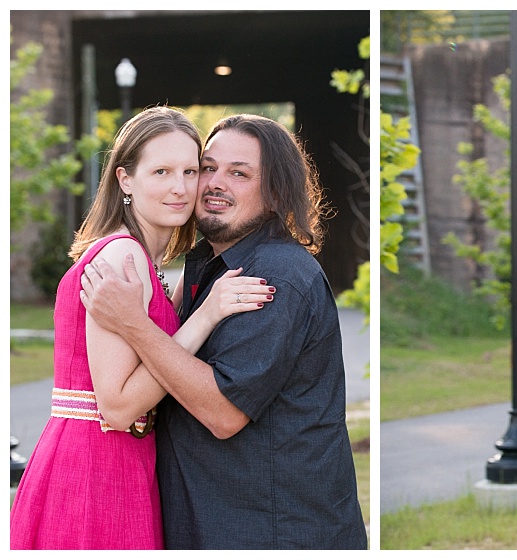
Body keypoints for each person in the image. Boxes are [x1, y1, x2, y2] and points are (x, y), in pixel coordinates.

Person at [79, 114, 368, 549]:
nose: (215, 182)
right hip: (215, 522)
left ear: (275, 192)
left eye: (239, 173)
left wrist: (133, 325)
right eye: (208, 167)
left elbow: (223, 413)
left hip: (273, 532)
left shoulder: (276, 277)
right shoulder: (205, 264)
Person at [9, 106, 273, 549]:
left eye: (191, 171)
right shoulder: (121, 257)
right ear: (125, 180)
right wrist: (206, 315)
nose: (180, 187)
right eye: (161, 171)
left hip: (117, 460)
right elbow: (116, 407)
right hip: (97, 466)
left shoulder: (143, 262)